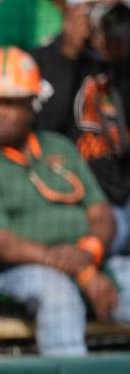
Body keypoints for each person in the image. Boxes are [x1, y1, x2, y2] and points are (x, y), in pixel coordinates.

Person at [0, 45, 130, 356]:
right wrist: (80, 269)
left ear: (31, 105)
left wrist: (89, 252)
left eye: (10, 103)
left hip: (89, 258)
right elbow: (3, 244)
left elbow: (101, 213)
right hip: (15, 273)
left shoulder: (59, 147)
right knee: (59, 296)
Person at [35, 1, 130, 252]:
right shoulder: (44, 59)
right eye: (90, 7)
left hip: (122, 190)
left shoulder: (116, 59)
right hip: (81, 200)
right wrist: (68, 56)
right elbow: (45, 131)